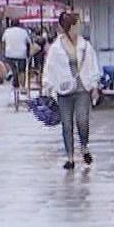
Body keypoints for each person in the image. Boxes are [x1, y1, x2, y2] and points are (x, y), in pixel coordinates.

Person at [41, 10, 98, 170]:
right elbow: (49, 68)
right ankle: (70, 157)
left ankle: (84, 147)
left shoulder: (85, 45)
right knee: (66, 124)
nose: (79, 28)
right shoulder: (56, 48)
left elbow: (93, 65)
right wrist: (47, 86)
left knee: (82, 120)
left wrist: (94, 85)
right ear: (70, 27)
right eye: (76, 25)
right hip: (64, 90)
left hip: (82, 88)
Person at [1, 19, 32, 88]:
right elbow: (29, 43)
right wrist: (28, 53)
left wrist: (4, 52)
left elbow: (3, 42)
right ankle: (22, 86)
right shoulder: (24, 32)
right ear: (19, 24)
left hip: (9, 54)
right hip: (22, 54)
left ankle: (14, 76)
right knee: (22, 71)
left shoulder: (6, 31)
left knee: (13, 68)